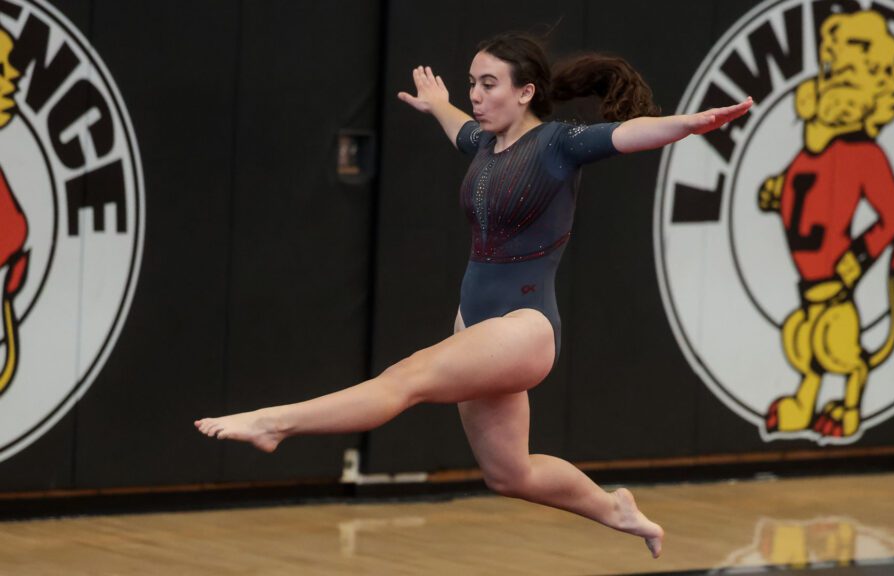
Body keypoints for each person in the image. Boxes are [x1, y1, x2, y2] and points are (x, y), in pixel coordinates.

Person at [195, 32, 753, 558]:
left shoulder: (560, 144)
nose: (476, 95)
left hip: (524, 327)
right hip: (476, 324)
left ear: (525, 91)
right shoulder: (483, 143)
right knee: (510, 474)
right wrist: (437, 102)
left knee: (405, 379)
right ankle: (618, 510)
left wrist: (691, 122)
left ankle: (275, 424)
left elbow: (632, 134)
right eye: (472, 83)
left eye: (489, 84)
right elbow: (459, 125)